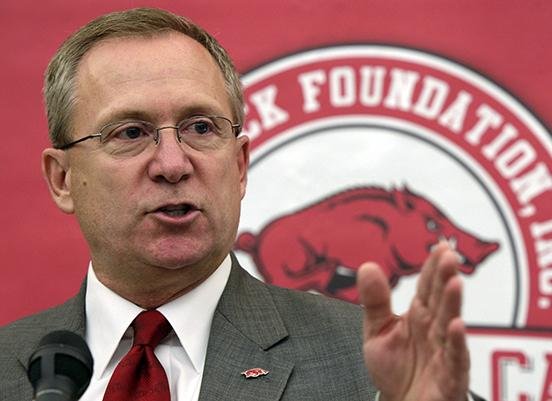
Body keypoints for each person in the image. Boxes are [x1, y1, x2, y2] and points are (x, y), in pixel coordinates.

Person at [0, 8, 484, 401]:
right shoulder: (11, 365)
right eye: (130, 132)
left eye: (201, 128)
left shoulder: (367, 364)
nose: (173, 163)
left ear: (240, 165)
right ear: (62, 179)